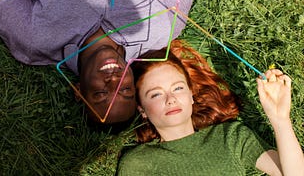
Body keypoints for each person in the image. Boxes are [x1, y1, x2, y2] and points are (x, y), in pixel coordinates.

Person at [0, 0, 203, 124]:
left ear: (79, 92)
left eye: (101, 94)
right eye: (125, 89)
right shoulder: (161, 27)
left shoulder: (34, 40)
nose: (113, 81)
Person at [117, 39, 304, 175]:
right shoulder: (137, 163)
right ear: (141, 109)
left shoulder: (231, 137)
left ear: (191, 94)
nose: (171, 99)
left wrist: (280, 119)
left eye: (178, 88)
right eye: (156, 94)